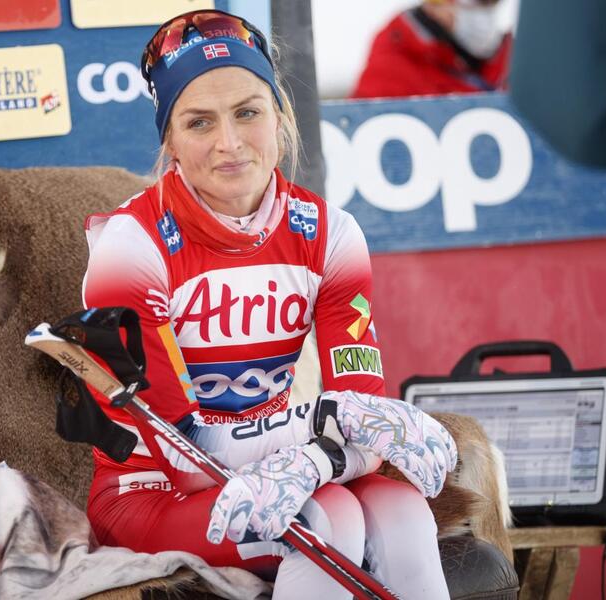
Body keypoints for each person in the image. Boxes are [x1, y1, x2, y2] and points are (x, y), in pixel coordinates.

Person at [81, 10, 457, 599]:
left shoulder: (330, 234)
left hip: (287, 467)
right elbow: (185, 457)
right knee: (327, 520)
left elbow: (366, 415)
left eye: (248, 113)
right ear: (170, 140)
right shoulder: (131, 247)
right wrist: (319, 429)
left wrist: (318, 459)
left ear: (280, 118)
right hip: (151, 493)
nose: (229, 143)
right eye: (199, 122)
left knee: (403, 512)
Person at [351, 0, 511, 99]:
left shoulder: (514, 59)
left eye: (490, 3)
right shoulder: (391, 68)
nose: (482, 16)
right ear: (436, 5)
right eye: (474, 5)